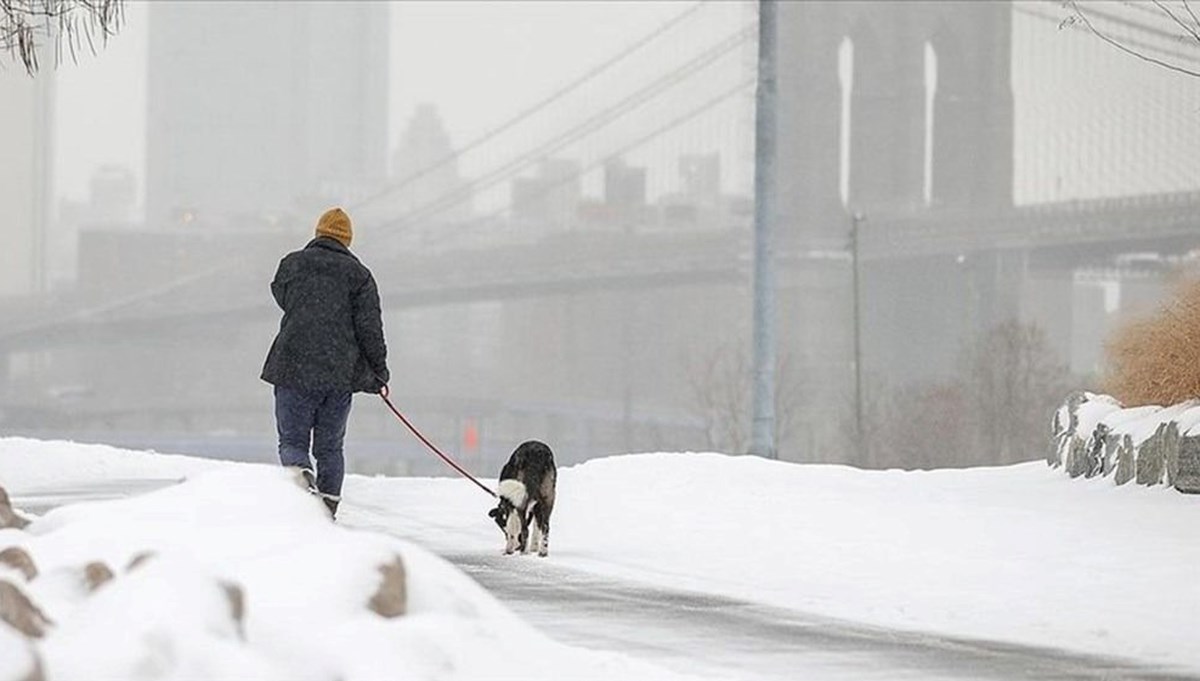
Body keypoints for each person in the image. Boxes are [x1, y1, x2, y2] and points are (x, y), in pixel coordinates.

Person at [261, 207, 389, 519]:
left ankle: (300, 476)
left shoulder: (292, 264)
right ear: (347, 239)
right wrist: (379, 371)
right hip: (338, 374)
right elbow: (370, 328)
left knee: (292, 442)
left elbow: (281, 295)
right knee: (330, 448)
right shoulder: (359, 276)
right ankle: (327, 507)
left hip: (292, 367)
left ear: (318, 233)